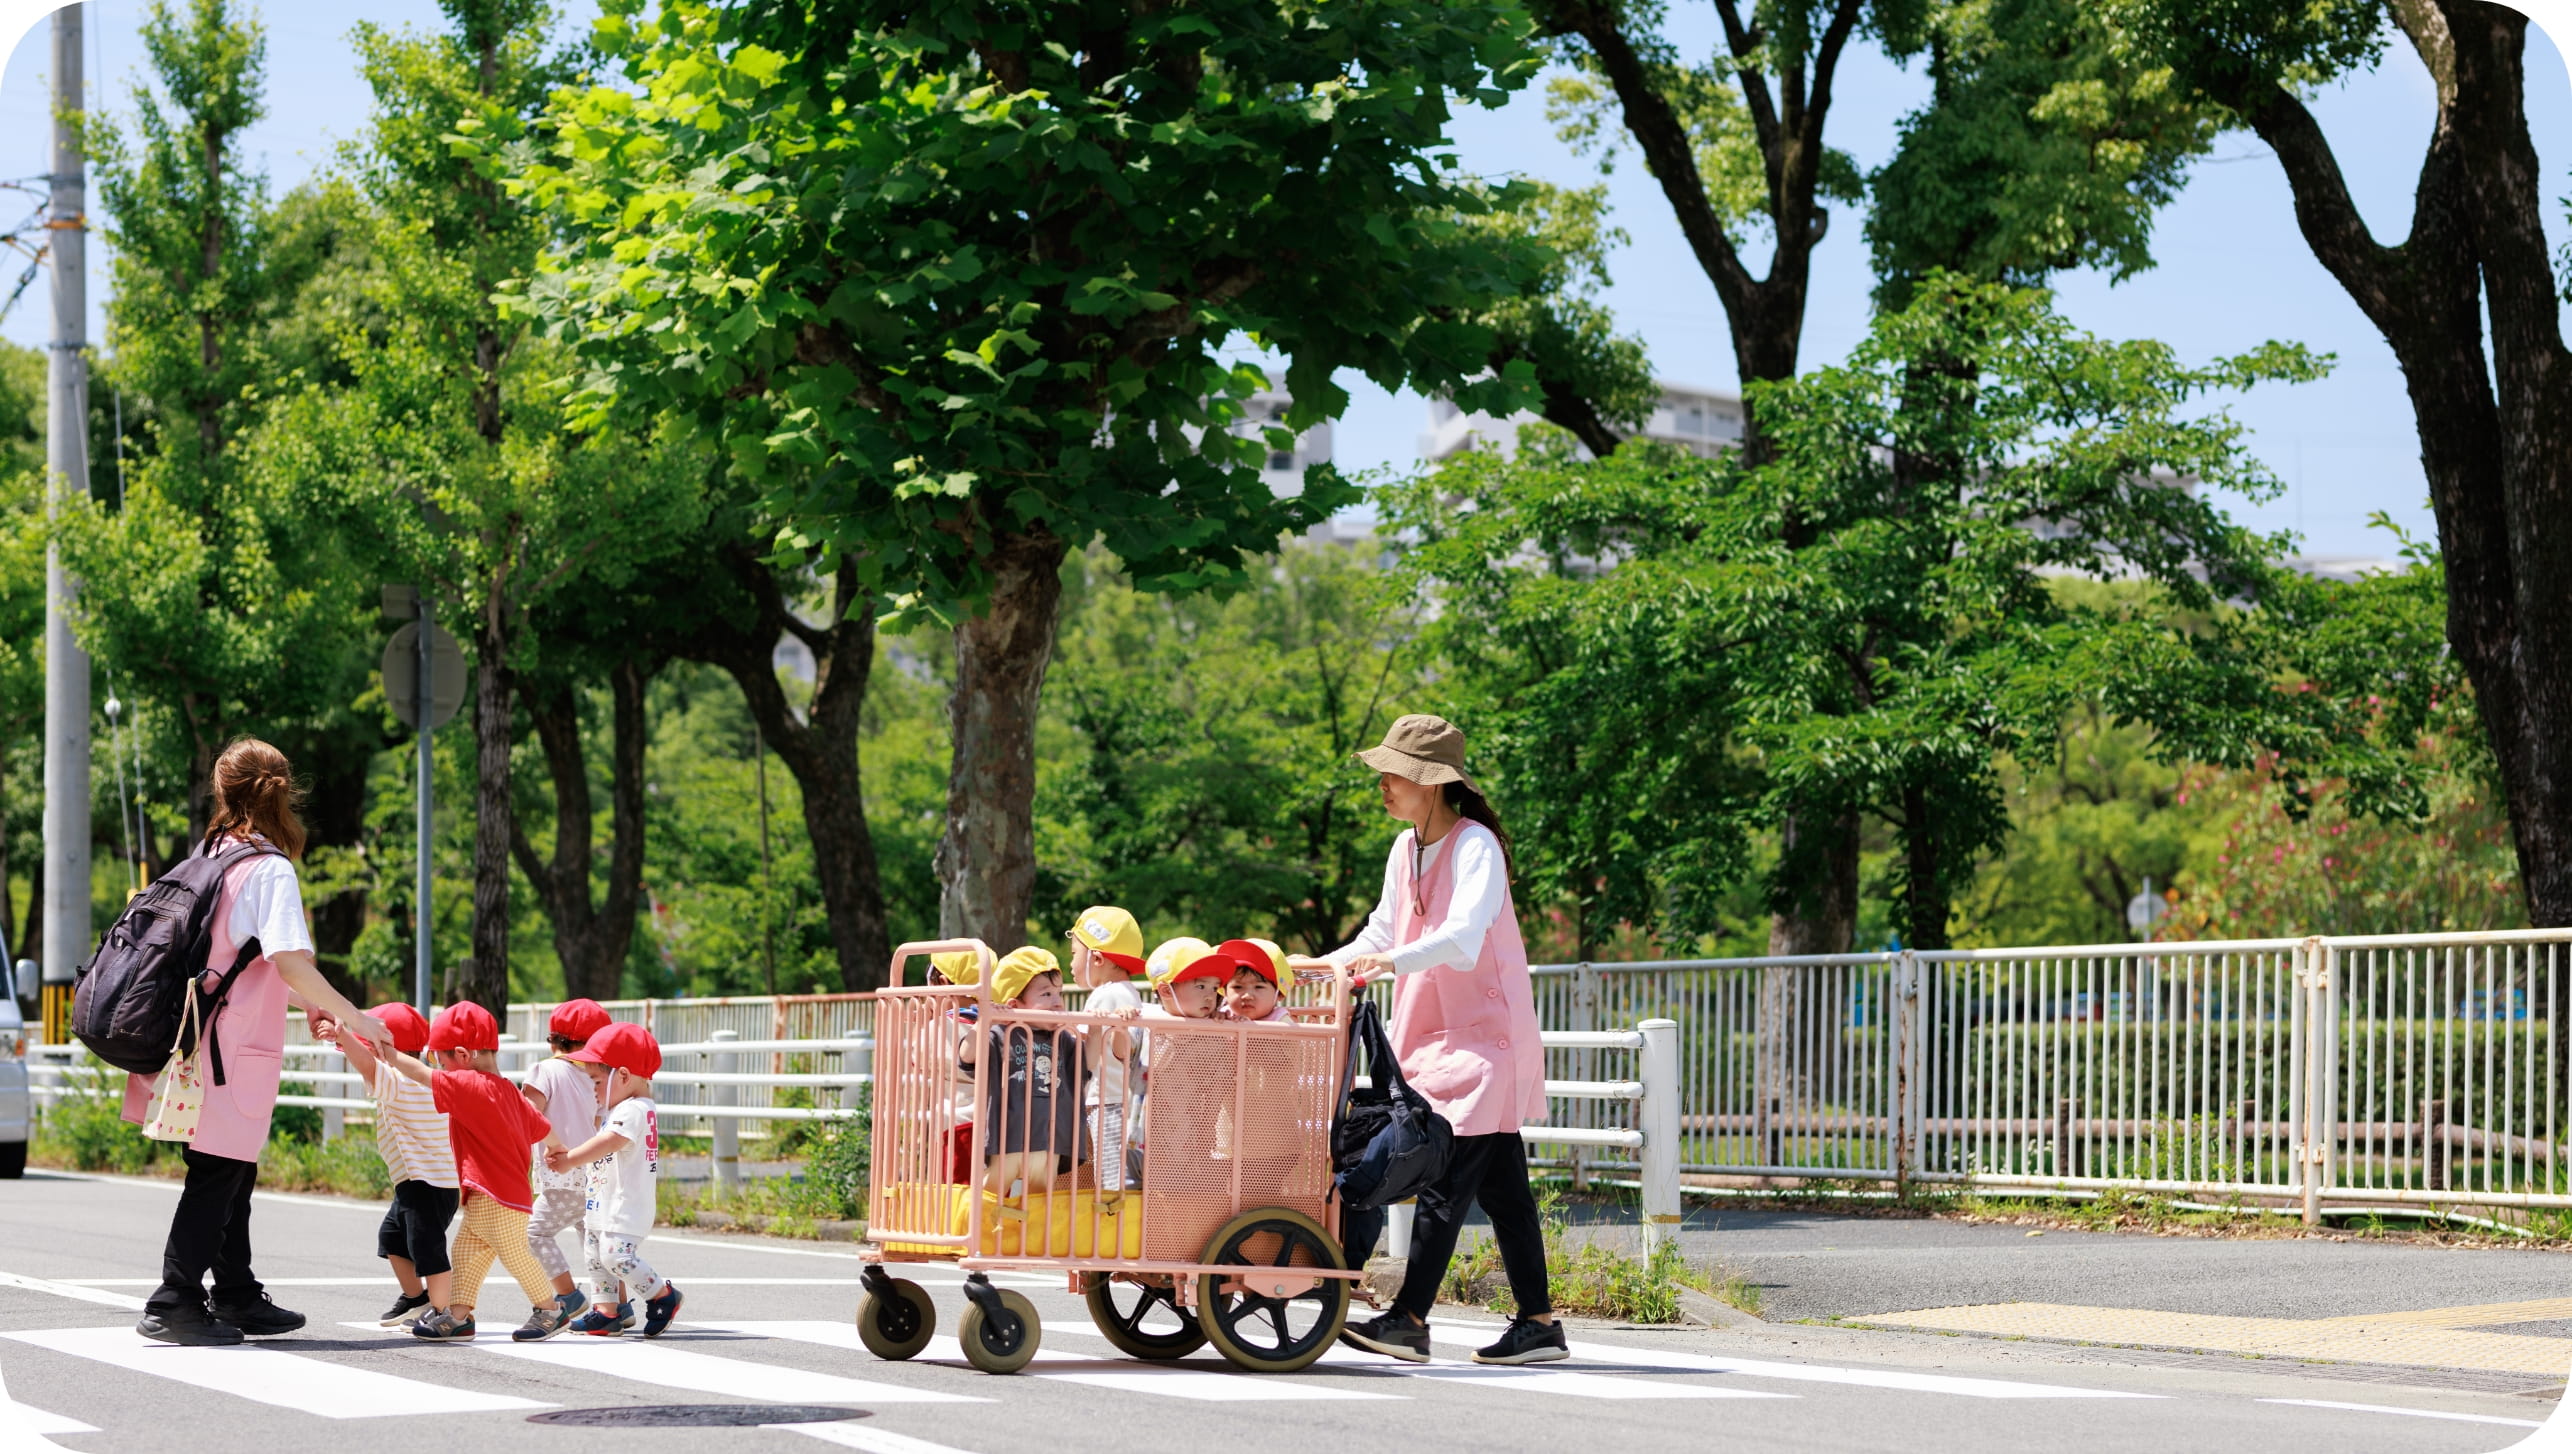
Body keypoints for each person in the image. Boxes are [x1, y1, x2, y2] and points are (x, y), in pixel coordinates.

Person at [1293, 713, 1564, 1367]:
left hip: (1482, 1046)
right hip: (1436, 1040)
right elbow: (1382, 934)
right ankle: (1539, 1322)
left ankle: (1410, 1318)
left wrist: (1388, 961)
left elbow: (1465, 935)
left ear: (1433, 782)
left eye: (1396, 775)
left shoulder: (1476, 847)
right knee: (1503, 1188)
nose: (1384, 785)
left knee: (1443, 1177)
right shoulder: (1405, 848)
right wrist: (1326, 965)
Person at [124, 738, 393, 1347]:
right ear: (284, 792)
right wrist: (354, 1016)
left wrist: (317, 1008)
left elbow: (245, 963)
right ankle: (174, 1299)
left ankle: (237, 1293)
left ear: (222, 792)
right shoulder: (268, 868)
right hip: (232, 1051)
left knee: (231, 1171)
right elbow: (289, 963)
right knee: (218, 1174)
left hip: (195, 1041)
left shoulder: (209, 857)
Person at [367, 1002, 577, 1342]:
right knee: (467, 1253)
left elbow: (420, 1076)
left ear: (463, 1056)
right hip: (490, 1193)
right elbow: (541, 1125)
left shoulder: (467, 1083)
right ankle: (459, 1317)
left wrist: (387, 1053)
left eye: (440, 1059)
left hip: (498, 1194)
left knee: (515, 1254)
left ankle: (551, 1310)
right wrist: (556, 1147)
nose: (438, 1068)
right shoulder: (507, 1088)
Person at [324, 1001, 457, 1327]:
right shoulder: (426, 1078)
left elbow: (368, 1066)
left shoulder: (398, 1080)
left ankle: (443, 1314)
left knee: (428, 1251)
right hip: (419, 1182)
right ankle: (417, 1298)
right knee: (393, 1238)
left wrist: (344, 1036)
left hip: (427, 1184)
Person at [546, 1022, 681, 1337]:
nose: (592, 1088)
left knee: (615, 1256)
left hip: (625, 1204)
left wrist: (570, 1160)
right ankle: (606, 1311)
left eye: (595, 1080)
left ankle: (662, 1294)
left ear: (622, 1076)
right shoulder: (622, 1107)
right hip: (604, 1200)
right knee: (595, 1256)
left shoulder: (634, 1109)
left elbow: (610, 1142)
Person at [958, 947, 1088, 1198]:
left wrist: (1095, 1030)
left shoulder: (1062, 1038)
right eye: (1047, 994)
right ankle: (976, 1233)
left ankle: (1031, 1237)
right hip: (1008, 1134)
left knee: (1040, 1196)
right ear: (1014, 1004)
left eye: (1059, 993)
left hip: (1049, 1136)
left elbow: (1086, 1066)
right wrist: (987, 1021)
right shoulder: (1001, 1033)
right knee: (990, 1191)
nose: (1058, 1001)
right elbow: (966, 1056)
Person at [524, 999, 612, 1314]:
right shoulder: (598, 1078)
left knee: (534, 1233)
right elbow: (600, 1123)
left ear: (555, 1039)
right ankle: (616, 1305)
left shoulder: (544, 1070)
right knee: (597, 1242)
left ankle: (568, 1296)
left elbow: (528, 1115)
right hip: (593, 1172)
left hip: (560, 1174)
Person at [1066, 907, 1147, 1191]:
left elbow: (1091, 1055)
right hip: (1117, 1100)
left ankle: (1112, 1228)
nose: (1071, 964)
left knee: (1110, 1181)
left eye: (1074, 954)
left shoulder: (1106, 995)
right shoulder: (1128, 992)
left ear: (1096, 958)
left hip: (1108, 1100)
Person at [1214, 938, 1293, 1023]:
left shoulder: (1281, 1022)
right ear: (1225, 992)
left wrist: (1251, 1030)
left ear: (1279, 994)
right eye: (1237, 987)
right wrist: (1213, 1020)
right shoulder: (1224, 1015)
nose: (1247, 996)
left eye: (1259, 987)